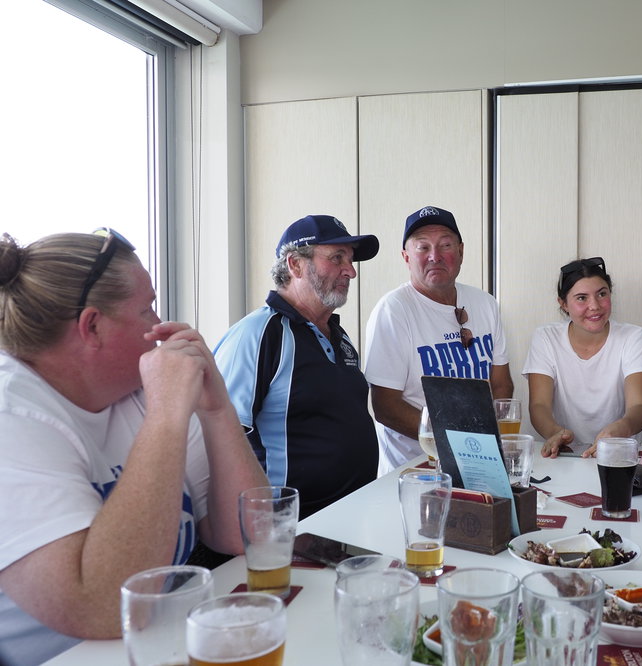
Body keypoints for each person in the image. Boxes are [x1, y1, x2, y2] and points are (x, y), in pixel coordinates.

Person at [0, 230, 269, 665]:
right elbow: (105, 608)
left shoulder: (138, 389)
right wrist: (166, 416)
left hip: (161, 646)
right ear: (92, 326)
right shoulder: (12, 412)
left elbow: (248, 535)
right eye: (147, 309)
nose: (160, 325)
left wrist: (217, 409)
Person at [213, 214, 380, 518]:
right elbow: (220, 437)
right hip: (295, 530)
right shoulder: (258, 334)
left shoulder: (336, 334)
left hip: (353, 516)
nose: (350, 272)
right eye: (337, 258)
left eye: (350, 260)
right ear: (295, 265)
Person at [364, 206, 514, 474]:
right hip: (413, 472)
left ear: (461, 252)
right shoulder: (393, 311)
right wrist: (458, 440)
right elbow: (385, 407)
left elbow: (501, 384)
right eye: (422, 247)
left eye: (445, 245)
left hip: (479, 463)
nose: (435, 256)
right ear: (406, 257)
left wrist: (484, 445)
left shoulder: (485, 304)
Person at [522, 257, 642, 458]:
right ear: (563, 304)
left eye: (602, 294)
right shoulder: (546, 337)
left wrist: (621, 429)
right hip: (562, 454)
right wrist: (555, 433)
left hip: (619, 453)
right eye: (581, 298)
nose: (594, 306)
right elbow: (539, 405)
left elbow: (639, 406)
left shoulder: (634, 336)